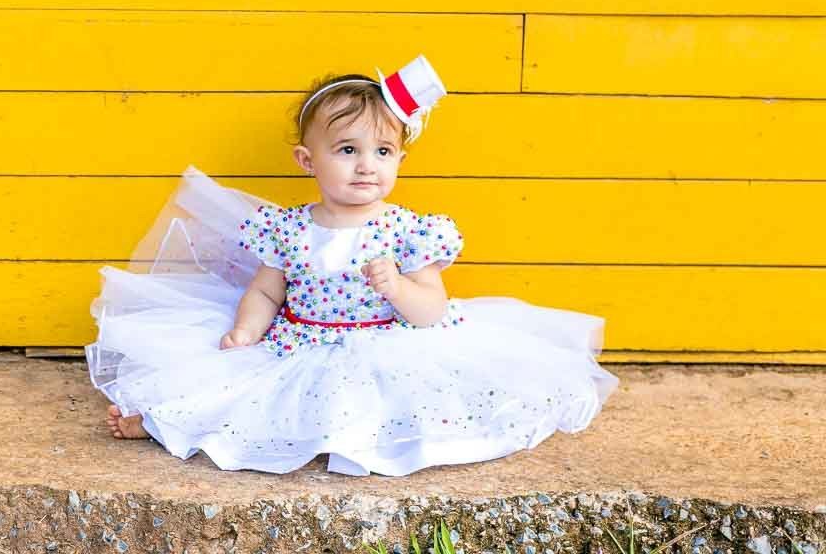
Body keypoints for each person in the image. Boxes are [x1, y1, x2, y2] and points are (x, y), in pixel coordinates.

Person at [85, 55, 619, 476]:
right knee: (241, 394)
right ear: (307, 160)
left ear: (400, 161)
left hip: (388, 342)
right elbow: (268, 291)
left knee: (390, 405)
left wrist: (396, 288)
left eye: (383, 152)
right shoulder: (288, 228)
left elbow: (431, 310)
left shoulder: (410, 230)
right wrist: (246, 330)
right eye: (347, 149)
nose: (367, 165)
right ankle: (161, 424)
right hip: (301, 341)